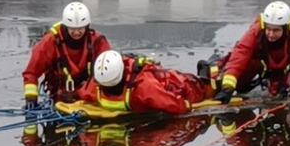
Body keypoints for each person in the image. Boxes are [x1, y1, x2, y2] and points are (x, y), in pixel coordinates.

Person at [206, 1, 290, 104]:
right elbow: (239, 57)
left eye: (276, 30)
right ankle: (219, 63)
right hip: (260, 65)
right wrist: (227, 88)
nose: (271, 34)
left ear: (286, 28)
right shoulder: (255, 32)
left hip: (285, 71)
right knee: (239, 86)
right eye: (268, 29)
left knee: (281, 97)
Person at [22, 2, 110, 107]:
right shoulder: (50, 42)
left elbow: (110, 69)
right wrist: (31, 98)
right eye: (73, 29)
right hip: (59, 97)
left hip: (90, 96)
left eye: (80, 28)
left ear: (87, 26)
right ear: (66, 26)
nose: (77, 33)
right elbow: (31, 73)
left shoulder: (97, 42)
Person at [77, 50, 215, 115]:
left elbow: (175, 105)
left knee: (199, 90)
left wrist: (187, 106)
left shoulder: (144, 87)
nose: (108, 88)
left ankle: (208, 77)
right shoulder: (98, 82)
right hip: (152, 87)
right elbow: (82, 92)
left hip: (170, 84)